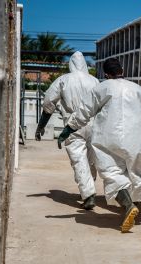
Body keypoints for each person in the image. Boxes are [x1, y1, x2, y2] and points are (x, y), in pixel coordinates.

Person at [57, 58, 141, 233]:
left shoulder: (101, 88)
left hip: (109, 137)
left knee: (112, 173)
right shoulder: (138, 90)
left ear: (106, 74)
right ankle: (133, 205)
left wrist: (69, 128)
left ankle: (129, 206)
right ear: (122, 70)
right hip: (136, 139)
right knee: (135, 174)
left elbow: (85, 111)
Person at [35, 51, 99, 210]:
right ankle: (89, 189)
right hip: (94, 123)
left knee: (78, 159)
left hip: (72, 124)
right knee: (91, 158)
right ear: (84, 64)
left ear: (70, 64)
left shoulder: (63, 80)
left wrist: (40, 127)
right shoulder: (95, 80)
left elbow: (49, 103)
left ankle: (89, 194)